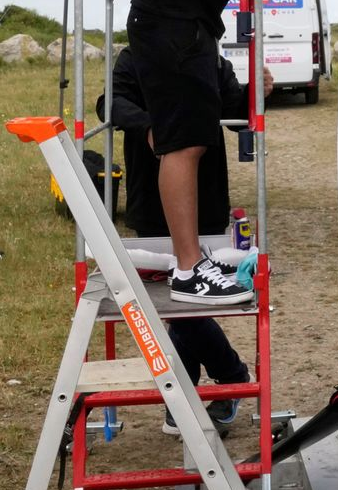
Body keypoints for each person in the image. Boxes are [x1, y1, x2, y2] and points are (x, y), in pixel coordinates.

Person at [125, 0, 315, 306]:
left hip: (182, 25)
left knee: (190, 139)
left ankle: (192, 262)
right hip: (173, 22)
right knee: (183, 143)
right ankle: (189, 271)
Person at [103, 45, 254, 435]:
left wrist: (259, 91)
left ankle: (186, 398)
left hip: (207, 201)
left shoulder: (211, 58)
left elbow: (239, 114)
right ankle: (225, 378)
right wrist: (150, 126)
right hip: (150, 202)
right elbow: (111, 103)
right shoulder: (134, 57)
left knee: (187, 304)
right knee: (173, 306)